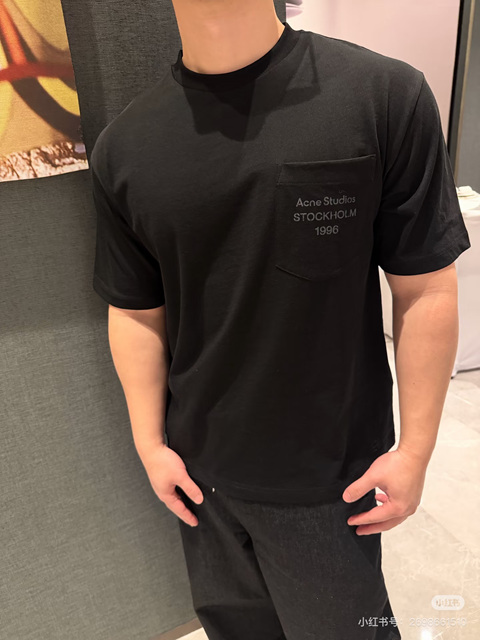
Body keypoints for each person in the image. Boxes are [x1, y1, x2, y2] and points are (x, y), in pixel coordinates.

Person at [89, 1, 471, 638]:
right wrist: (150, 445)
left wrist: (416, 449)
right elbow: (135, 309)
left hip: (329, 483)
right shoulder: (124, 147)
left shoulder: (382, 96)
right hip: (201, 481)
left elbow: (425, 286)